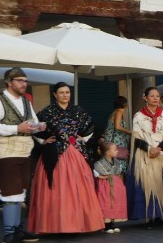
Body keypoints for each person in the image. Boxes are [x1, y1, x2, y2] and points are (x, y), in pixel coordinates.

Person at [28, 82, 105, 235]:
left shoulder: (78, 111)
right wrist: (44, 141)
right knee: (57, 188)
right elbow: (33, 129)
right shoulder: (47, 112)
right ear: (55, 95)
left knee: (79, 188)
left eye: (67, 92)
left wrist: (83, 138)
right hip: (54, 155)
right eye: (61, 92)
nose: (65, 95)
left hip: (77, 154)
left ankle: (81, 224)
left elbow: (90, 127)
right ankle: (56, 225)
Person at [0, 68, 46, 243]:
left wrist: (40, 128)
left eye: (25, 80)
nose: (23, 83)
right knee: (11, 191)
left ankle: (17, 228)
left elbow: (32, 123)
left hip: (24, 150)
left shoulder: (26, 102)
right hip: (6, 151)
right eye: (19, 80)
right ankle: (9, 233)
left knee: (21, 190)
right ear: (8, 82)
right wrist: (16, 129)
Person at [128, 86, 163, 228]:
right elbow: (136, 138)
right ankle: (149, 216)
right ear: (145, 98)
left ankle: (160, 214)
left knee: (162, 183)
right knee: (146, 185)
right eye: (152, 96)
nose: (155, 98)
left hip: (161, 154)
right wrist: (149, 148)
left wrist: (159, 148)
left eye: (158, 96)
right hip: (145, 155)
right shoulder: (138, 116)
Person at [94, 140, 127, 233]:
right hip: (105, 186)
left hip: (115, 185)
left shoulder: (116, 162)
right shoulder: (99, 163)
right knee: (107, 202)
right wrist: (101, 176)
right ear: (107, 152)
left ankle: (112, 223)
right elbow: (96, 172)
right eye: (115, 149)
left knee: (114, 202)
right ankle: (106, 225)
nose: (117, 151)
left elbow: (118, 173)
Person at [102, 95, 131, 177]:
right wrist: (129, 132)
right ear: (125, 104)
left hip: (110, 140)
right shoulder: (119, 112)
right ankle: (119, 187)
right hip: (117, 142)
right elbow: (117, 126)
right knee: (119, 166)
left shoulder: (114, 112)